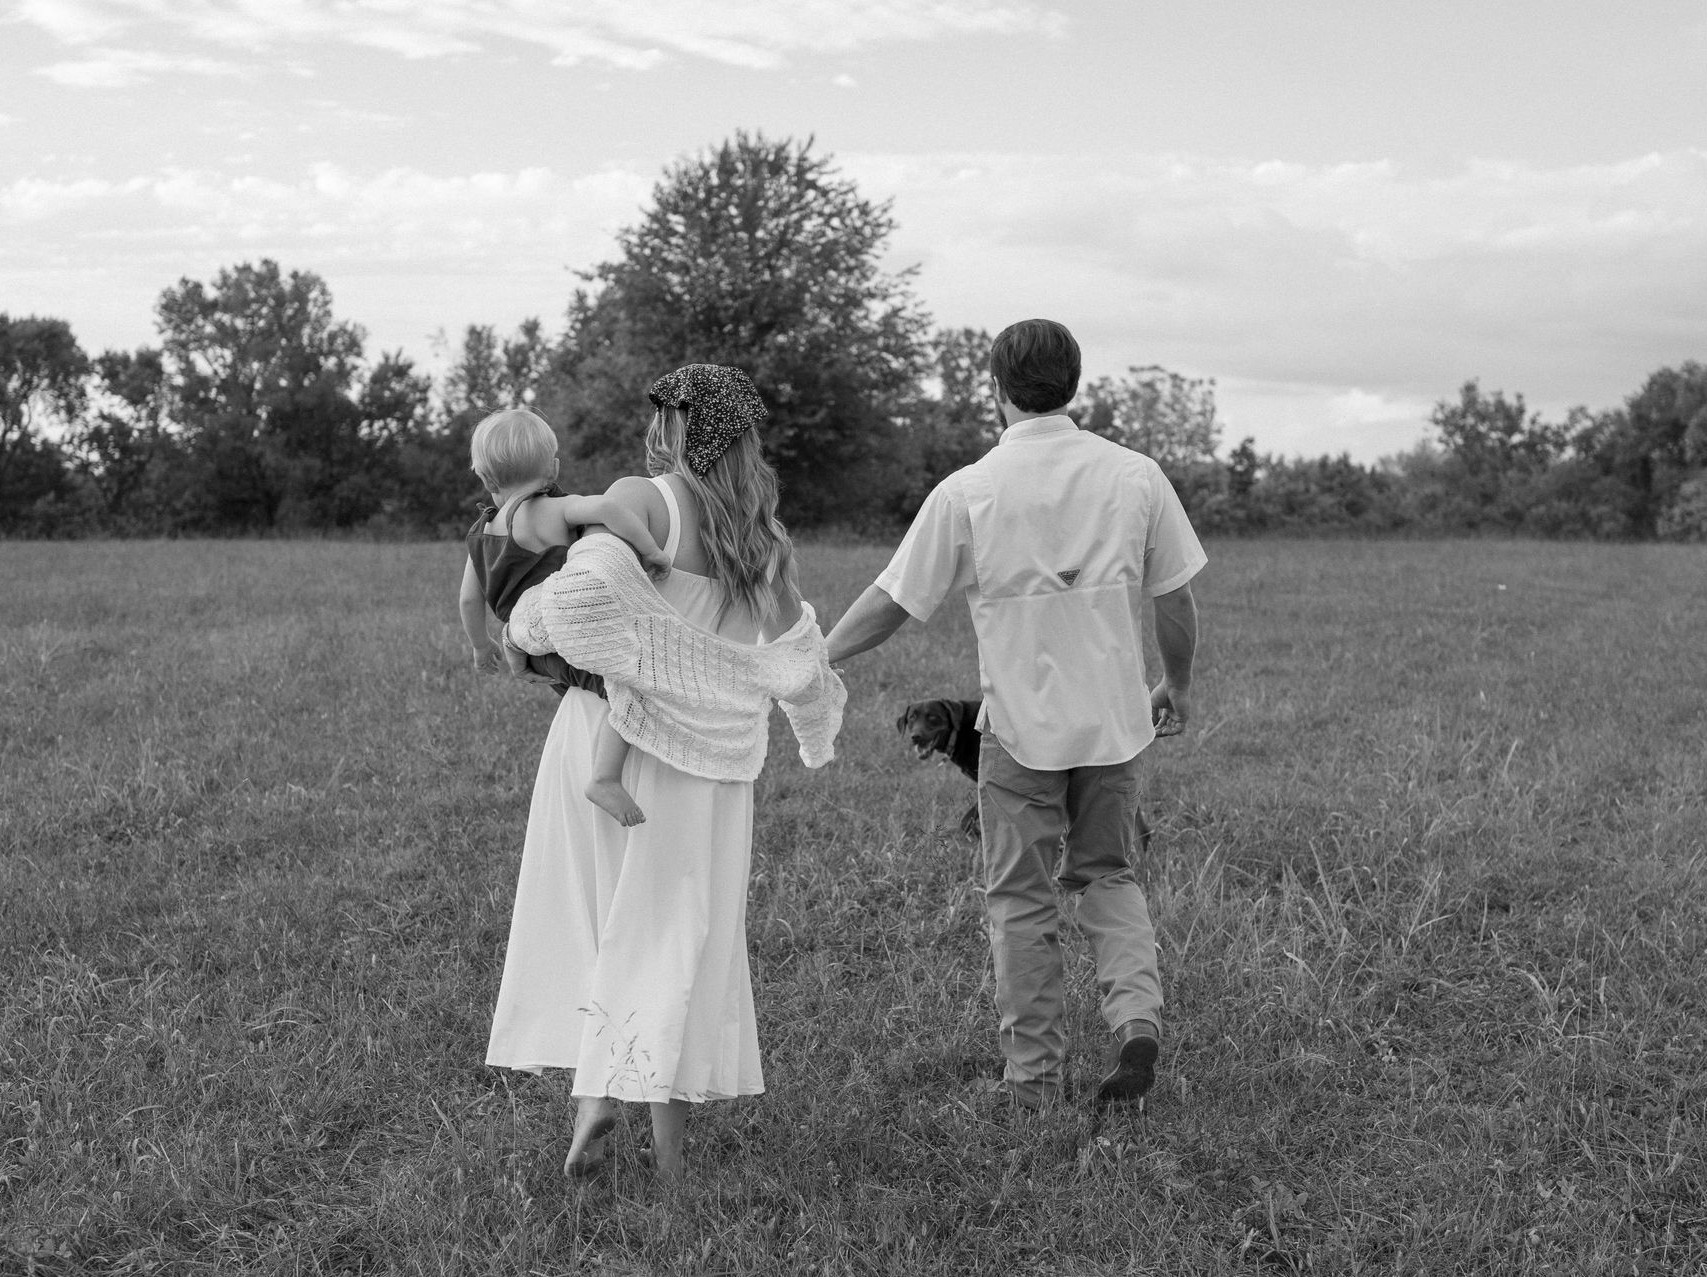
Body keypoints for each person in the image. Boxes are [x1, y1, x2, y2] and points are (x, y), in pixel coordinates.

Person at [824, 319, 1205, 1110]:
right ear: (1073, 386)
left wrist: (816, 657)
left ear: (995, 390)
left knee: (1021, 900)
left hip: (1019, 737)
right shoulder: (1136, 475)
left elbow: (894, 601)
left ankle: (1032, 1078)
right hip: (1116, 725)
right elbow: (1175, 599)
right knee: (1110, 875)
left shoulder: (968, 490)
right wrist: (1177, 683)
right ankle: (1136, 1023)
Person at [486, 365, 845, 1184]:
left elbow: (579, 594)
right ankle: (672, 1167)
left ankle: (595, 1101)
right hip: (706, 765)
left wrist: (527, 627)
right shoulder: (763, 537)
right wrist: (812, 716)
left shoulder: (644, 498)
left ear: (680, 425)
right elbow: (798, 657)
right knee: (678, 939)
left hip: (606, 737)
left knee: (598, 918)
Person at [457, 406, 671, 827]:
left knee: (596, 688)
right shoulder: (553, 509)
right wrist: (652, 551)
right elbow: (610, 510)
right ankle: (604, 778)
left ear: (484, 478)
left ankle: (598, 762)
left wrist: (481, 646)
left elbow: (468, 600)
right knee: (629, 683)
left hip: (531, 647)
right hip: (565, 638)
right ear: (553, 468)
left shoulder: (481, 532)